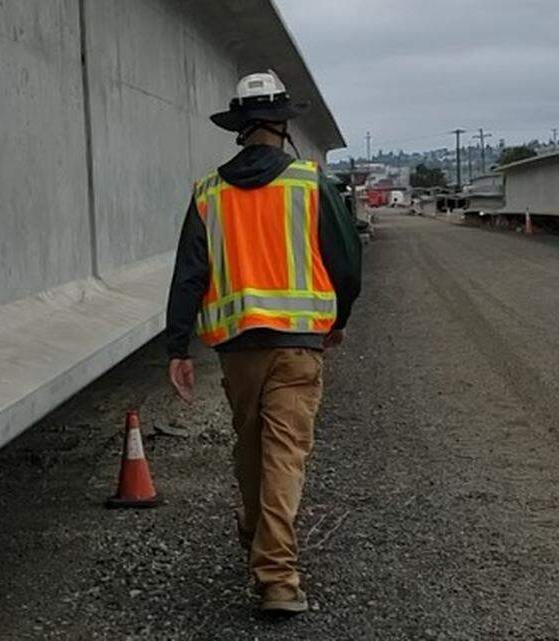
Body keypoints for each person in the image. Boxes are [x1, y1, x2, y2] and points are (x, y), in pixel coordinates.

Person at [165, 70, 362, 616]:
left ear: (241, 128)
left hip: (238, 348)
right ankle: (276, 576)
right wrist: (337, 318)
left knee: (252, 448)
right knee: (285, 454)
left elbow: (188, 275)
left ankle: (257, 533)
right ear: (280, 124)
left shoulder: (207, 193)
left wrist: (177, 348)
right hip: (299, 344)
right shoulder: (309, 184)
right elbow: (346, 264)